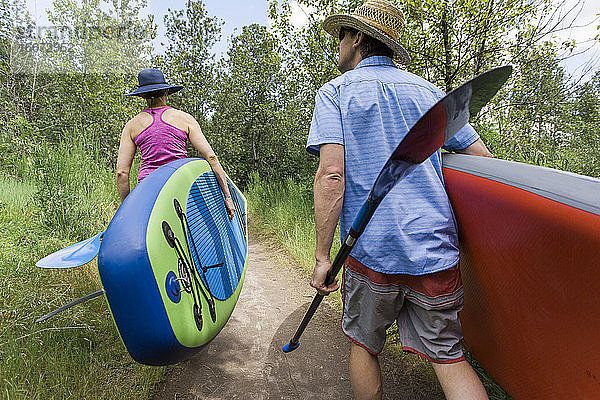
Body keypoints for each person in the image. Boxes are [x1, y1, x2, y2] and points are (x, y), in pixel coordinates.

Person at [306, 1, 492, 399]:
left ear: (357, 38)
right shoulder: (430, 93)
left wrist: (324, 257)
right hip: (434, 250)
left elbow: (332, 175)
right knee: (448, 358)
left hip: (371, 252)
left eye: (341, 36)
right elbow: (483, 162)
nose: (336, 45)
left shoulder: (335, 94)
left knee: (364, 345)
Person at [116, 68, 235, 218]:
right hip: (181, 184)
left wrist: (126, 211)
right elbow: (211, 157)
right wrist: (227, 197)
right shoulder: (185, 119)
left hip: (148, 191)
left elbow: (122, 173)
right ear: (166, 92)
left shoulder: (132, 125)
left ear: (141, 95)